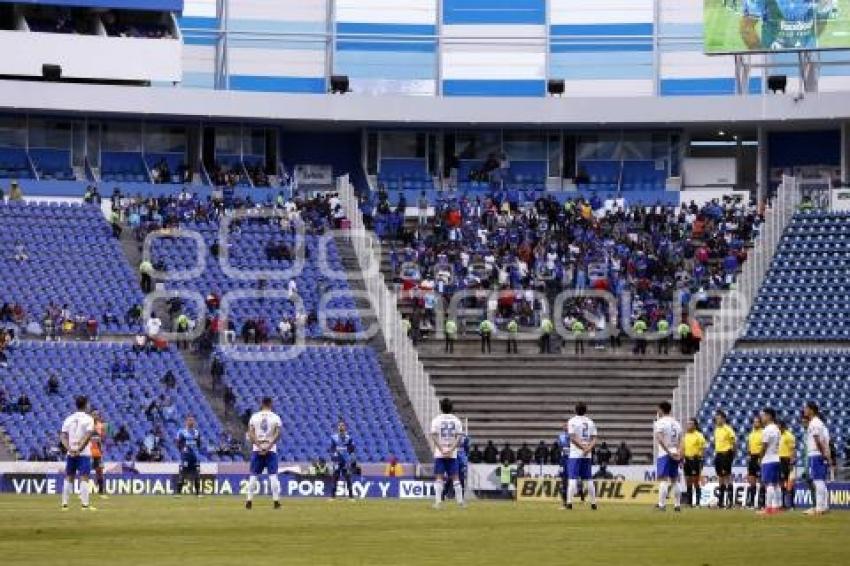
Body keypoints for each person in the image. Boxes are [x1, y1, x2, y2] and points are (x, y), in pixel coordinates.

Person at [245, 397, 283, 510]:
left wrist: (259, 445)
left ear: (261, 404)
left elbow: (251, 433)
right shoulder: (275, 417)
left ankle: (249, 501)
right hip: (271, 449)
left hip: (257, 449)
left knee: (253, 475)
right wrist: (269, 446)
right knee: (273, 476)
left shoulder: (254, 417)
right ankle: (276, 502)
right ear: (271, 404)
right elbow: (278, 433)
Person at [60, 396, 96, 511]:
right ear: (86, 405)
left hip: (71, 453)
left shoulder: (68, 418)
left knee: (69, 477)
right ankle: (85, 504)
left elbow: (63, 436)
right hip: (83, 453)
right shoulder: (89, 419)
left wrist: (69, 449)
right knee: (84, 477)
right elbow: (88, 435)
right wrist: (79, 449)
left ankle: (64, 504)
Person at [430, 397, 464, 509]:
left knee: (439, 478)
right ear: (451, 408)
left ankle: (438, 502)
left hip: (440, 453)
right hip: (452, 453)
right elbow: (459, 437)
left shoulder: (436, 420)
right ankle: (460, 502)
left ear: (441, 408)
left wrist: (441, 449)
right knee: (455, 478)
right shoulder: (457, 421)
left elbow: (434, 436)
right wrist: (451, 449)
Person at [564, 402, 598, 510]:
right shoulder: (590, 421)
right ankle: (593, 504)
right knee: (588, 479)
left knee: (572, 478)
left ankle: (569, 503)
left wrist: (582, 448)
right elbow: (594, 439)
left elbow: (572, 438)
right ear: (585, 411)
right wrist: (588, 448)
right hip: (587, 454)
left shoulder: (572, 421)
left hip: (575, 453)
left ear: (575, 410)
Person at [803, 401, 832, 516]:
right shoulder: (820, 424)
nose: (804, 410)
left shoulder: (814, 423)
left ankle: (819, 508)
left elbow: (817, 440)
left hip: (816, 454)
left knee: (818, 481)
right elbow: (825, 441)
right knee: (820, 481)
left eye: (806, 408)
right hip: (818, 453)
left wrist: (823, 453)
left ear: (811, 410)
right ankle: (824, 506)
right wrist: (826, 454)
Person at [653, 401, 683, 512]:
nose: (657, 411)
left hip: (665, 453)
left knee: (663, 480)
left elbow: (659, 438)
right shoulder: (676, 423)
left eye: (658, 409)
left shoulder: (660, 422)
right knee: (675, 480)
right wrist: (678, 452)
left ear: (661, 410)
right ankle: (677, 505)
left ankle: (661, 505)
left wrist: (668, 451)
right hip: (675, 451)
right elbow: (681, 439)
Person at [758, 408, 782, 515]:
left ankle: (768, 508)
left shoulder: (767, 430)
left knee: (769, 484)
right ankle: (776, 507)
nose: (762, 418)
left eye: (763, 416)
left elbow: (764, 446)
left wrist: (760, 457)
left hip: (768, 459)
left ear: (769, 416)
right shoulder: (777, 428)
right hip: (776, 458)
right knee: (776, 484)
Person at [713, 410, 737, 509]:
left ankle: (730, 501)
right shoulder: (716, 429)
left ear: (723, 418)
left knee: (727, 476)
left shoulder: (728, 429)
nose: (717, 420)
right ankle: (721, 502)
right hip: (718, 454)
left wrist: (732, 455)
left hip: (726, 454)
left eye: (718, 418)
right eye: (716, 418)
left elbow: (734, 442)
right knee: (720, 477)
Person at [175, 416, 203, 498]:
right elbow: (178, 443)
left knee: (197, 475)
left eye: (192, 420)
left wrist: (195, 448)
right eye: (189, 420)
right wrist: (183, 450)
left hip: (195, 457)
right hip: (185, 456)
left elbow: (199, 444)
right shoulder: (181, 432)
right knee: (182, 475)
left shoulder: (197, 432)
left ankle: (198, 493)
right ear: (186, 422)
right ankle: (178, 493)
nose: (191, 422)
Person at [683, 418, 707, 507]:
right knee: (688, 481)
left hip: (695, 460)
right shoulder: (686, 435)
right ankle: (689, 502)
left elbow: (703, 448)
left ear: (695, 426)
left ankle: (697, 502)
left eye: (690, 424)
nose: (688, 425)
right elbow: (683, 448)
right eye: (688, 424)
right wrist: (682, 459)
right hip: (687, 460)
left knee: (695, 482)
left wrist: (700, 459)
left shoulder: (699, 435)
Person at [329, 421, 355, 500]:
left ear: (345, 427)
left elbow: (352, 449)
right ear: (337, 427)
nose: (341, 427)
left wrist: (350, 459)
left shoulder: (349, 438)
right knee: (335, 477)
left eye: (342, 425)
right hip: (337, 460)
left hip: (345, 460)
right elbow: (332, 449)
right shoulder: (333, 437)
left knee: (348, 478)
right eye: (339, 425)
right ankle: (333, 497)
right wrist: (333, 457)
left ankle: (351, 497)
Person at [746, 414, 765, 509]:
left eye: (757, 422)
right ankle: (752, 502)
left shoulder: (763, 433)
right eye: (754, 422)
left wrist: (761, 458)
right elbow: (748, 446)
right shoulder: (751, 433)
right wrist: (749, 455)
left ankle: (762, 503)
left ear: (761, 423)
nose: (755, 423)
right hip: (752, 457)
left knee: (761, 480)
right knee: (751, 480)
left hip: (760, 457)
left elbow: (764, 446)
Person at [778, 420, 796, 509]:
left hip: (787, 459)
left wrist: (792, 462)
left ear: (783, 427)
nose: (778, 428)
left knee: (789, 483)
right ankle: (783, 504)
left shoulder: (789, 436)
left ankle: (792, 504)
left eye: (779, 427)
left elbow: (793, 450)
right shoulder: (778, 436)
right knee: (782, 482)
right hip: (779, 460)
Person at [90, 410, 108, 499]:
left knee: (99, 472)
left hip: (97, 452)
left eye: (97, 414)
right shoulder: (87, 425)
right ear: (90, 415)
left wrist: (102, 435)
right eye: (93, 414)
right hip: (88, 452)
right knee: (84, 472)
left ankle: (101, 492)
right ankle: (83, 492)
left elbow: (103, 439)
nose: (95, 416)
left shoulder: (101, 426)